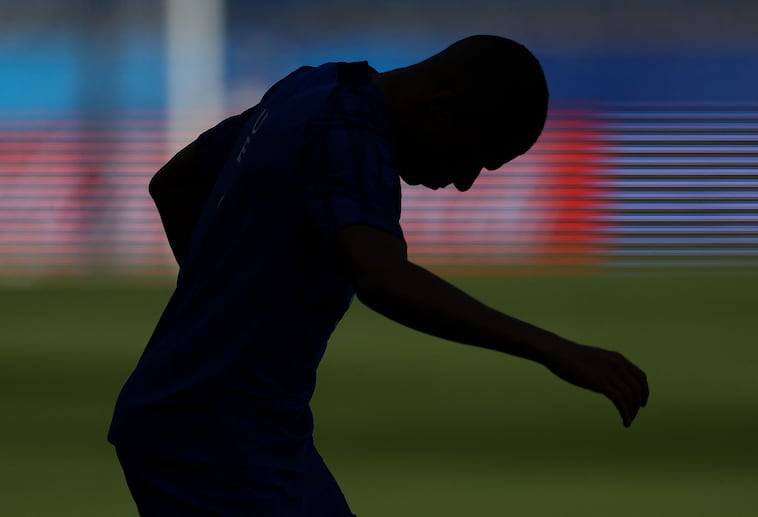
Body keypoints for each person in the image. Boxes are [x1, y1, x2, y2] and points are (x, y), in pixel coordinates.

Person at [109, 34, 648, 516]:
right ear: (444, 109)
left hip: (254, 425)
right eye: (477, 159)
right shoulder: (348, 131)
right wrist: (555, 350)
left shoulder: (312, 88)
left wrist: (229, 300)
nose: (464, 183)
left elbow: (175, 184)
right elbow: (382, 277)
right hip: (214, 439)